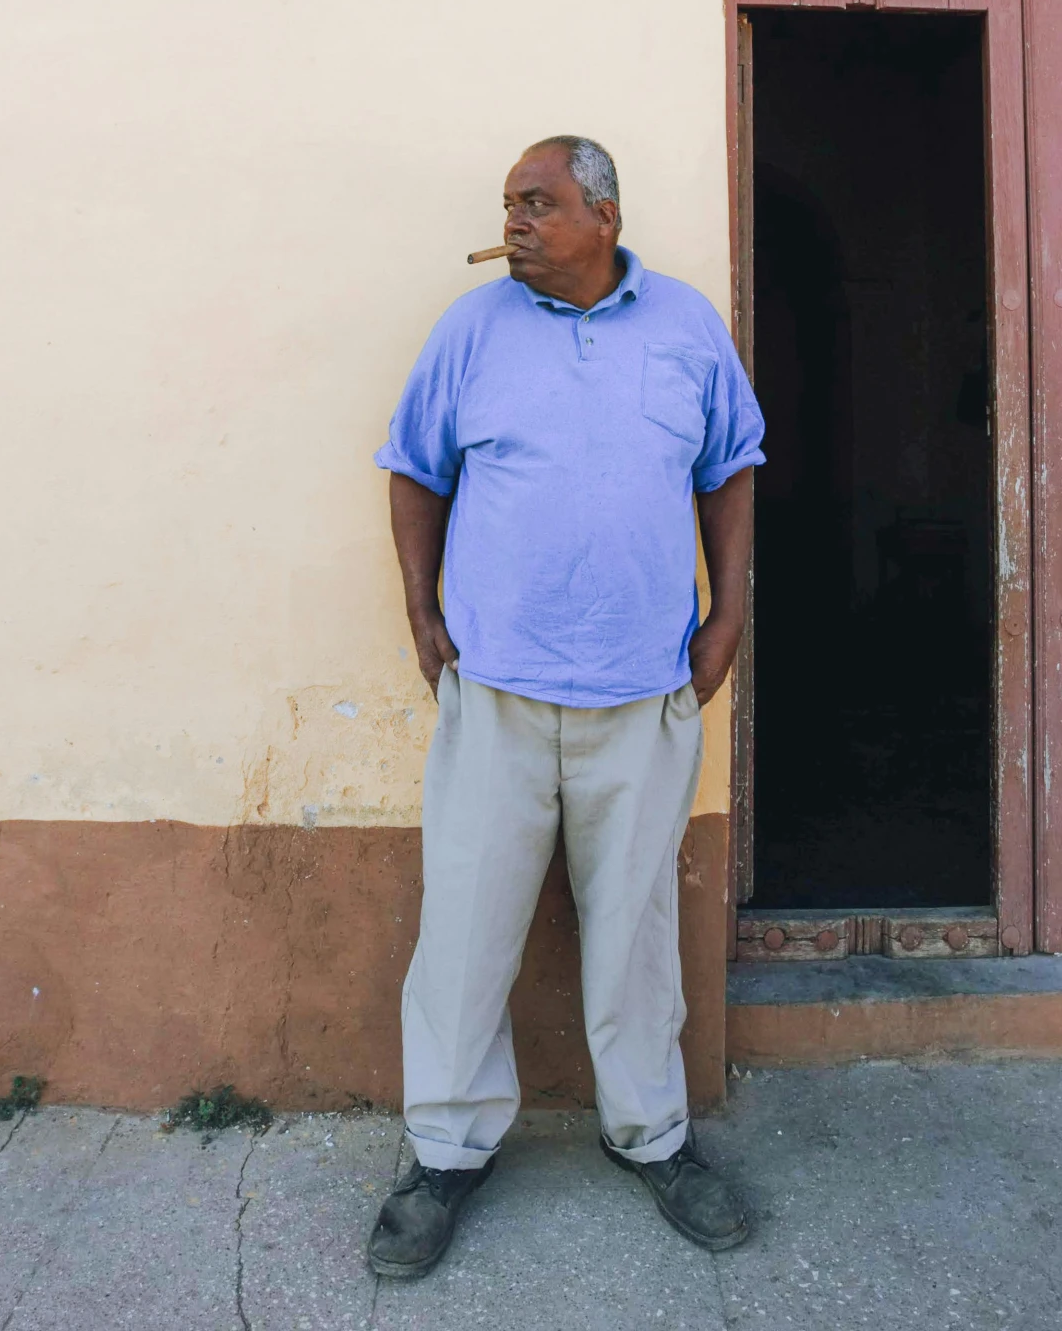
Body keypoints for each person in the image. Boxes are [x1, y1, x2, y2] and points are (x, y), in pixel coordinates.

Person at [366, 136, 765, 1278]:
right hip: (494, 691)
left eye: (537, 203)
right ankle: (443, 1153)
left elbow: (731, 463)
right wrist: (420, 614)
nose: (516, 223)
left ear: (604, 213)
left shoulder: (683, 327)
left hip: (643, 691)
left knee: (635, 935)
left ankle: (652, 1137)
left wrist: (726, 616)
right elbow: (412, 466)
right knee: (463, 932)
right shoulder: (471, 330)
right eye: (508, 205)